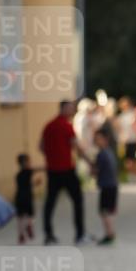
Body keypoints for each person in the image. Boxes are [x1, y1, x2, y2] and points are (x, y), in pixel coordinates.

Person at [40, 100, 93, 245]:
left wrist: (51, 156)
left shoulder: (48, 126)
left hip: (52, 170)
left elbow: (41, 146)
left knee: (50, 203)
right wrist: (90, 163)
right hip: (66, 169)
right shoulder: (66, 126)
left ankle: (48, 234)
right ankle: (80, 235)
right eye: (70, 109)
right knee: (77, 201)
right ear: (63, 109)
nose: (72, 111)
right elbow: (77, 147)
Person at [93, 126, 119, 244]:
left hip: (107, 186)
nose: (96, 141)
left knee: (104, 211)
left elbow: (96, 170)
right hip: (112, 185)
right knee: (108, 211)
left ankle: (109, 234)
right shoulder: (109, 152)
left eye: (98, 139)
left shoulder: (101, 154)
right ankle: (110, 232)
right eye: (95, 139)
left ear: (105, 139)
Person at [14, 154, 43, 244]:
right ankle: (29, 226)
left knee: (20, 217)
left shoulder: (18, 175)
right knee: (30, 215)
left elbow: (25, 185)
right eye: (29, 161)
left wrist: (34, 184)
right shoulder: (28, 171)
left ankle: (21, 235)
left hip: (18, 197)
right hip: (27, 198)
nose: (30, 163)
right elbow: (38, 169)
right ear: (24, 163)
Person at [117, 96, 136, 180]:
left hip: (134, 139)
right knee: (128, 160)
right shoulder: (121, 117)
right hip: (126, 141)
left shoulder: (134, 114)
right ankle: (131, 176)